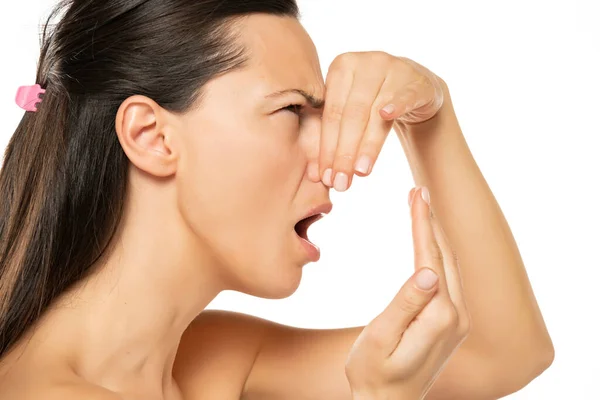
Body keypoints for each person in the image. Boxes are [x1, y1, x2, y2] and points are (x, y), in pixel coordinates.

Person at [0, 0, 554, 399]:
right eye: (292, 111)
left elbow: (500, 353)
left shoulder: (219, 360)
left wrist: (429, 116)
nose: (333, 162)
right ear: (152, 136)